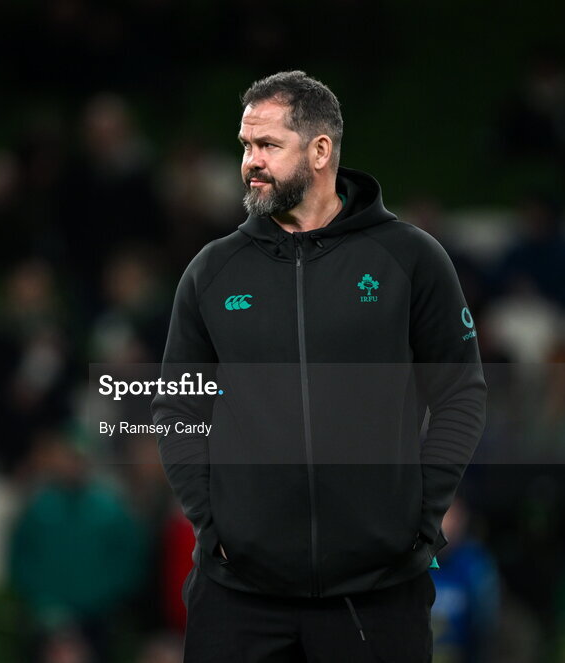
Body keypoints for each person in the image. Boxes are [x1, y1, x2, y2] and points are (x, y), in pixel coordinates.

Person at [151, 71, 487, 662]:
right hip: (238, 597)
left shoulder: (410, 258)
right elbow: (177, 406)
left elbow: (461, 393)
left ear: (321, 150)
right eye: (246, 146)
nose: (250, 162)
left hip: (378, 594)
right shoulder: (212, 270)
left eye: (268, 146)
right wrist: (214, 525)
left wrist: (417, 518)